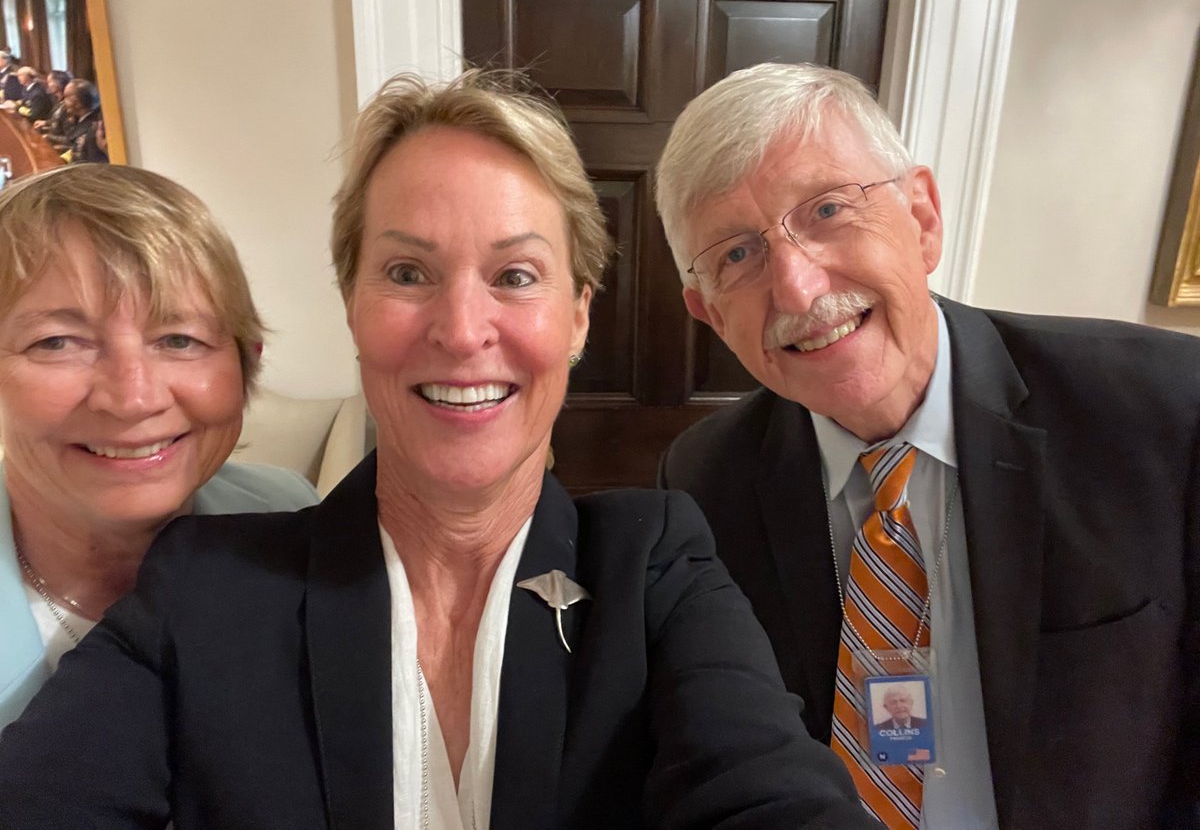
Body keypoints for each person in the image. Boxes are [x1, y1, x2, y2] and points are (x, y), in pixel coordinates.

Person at [0, 71, 875, 829]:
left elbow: (767, 790)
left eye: (515, 276)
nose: (462, 332)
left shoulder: (655, 563)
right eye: (408, 273)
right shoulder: (208, 579)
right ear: (352, 304)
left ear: (577, 314)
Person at [655, 62, 1199, 828]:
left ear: (923, 217)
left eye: (829, 209)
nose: (800, 290)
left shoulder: (1164, 411)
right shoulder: (705, 477)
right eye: (738, 255)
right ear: (708, 313)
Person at [0, 163, 318, 732]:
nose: (133, 398)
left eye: (179, 339)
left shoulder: (286, 517)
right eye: (57, 342)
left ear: (247, 361)